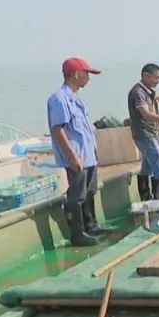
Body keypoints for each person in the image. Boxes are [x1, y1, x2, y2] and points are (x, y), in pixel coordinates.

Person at [47, 57, 104, 247]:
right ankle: (77, 233)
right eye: (86, 74)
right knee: (77, 195)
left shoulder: (76, 98)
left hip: (88, 155)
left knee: (90, 191)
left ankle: (91, 226)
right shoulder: (59, 99)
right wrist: (72, 156)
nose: (88, 78)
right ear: (76, 74)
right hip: (77, 157)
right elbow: (57, 129)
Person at [127, 63, 159, 205]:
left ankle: (146, 198)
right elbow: (146, 115)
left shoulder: (147, 92)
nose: (158, 81)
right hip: (145, 135)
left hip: (150, 133)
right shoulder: (138, 92)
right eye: (156, 78)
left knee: (147, 167)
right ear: (146, 76)